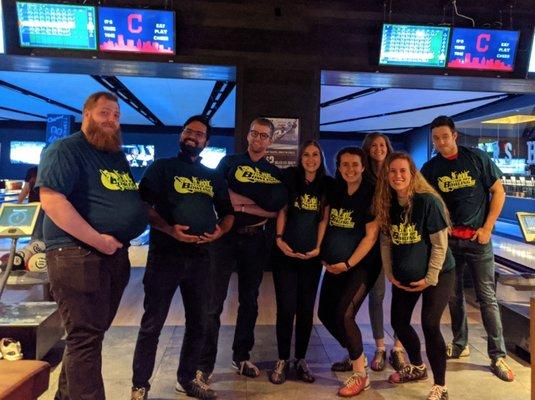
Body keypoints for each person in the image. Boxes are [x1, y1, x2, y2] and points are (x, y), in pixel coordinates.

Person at [36, 91, 148, 400]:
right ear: (87, 114)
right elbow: (52, 201)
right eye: (104, 113)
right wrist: (98, 240)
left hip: (109, 255)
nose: (111, 120)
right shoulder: (66, 149)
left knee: (87, 338)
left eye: (116, 115)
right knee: (85, 337)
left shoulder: (114, 155)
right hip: (76, 254)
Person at [130, 116, 234, 400]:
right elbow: (143, 204)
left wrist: (218, 233)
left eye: (199, 134)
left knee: (199, 322)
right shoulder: (161, 168)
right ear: (181, 135)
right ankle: (140, 385)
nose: (193, 136)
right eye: (189, 131)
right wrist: (168, 229)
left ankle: (187, 379)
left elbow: (228, 213)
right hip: (165, 256)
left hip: (201, 257)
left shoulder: (212, 176)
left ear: (206, 142)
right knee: (153, 323)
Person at [421, 115, 514, 382]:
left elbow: (499, 192)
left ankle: (498, 355)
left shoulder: (477, 158)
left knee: (487, 297)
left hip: (478, 240)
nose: (440, 142)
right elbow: (428, 202)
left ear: (455, 136)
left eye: (444, 137)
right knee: (453, 295)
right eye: (436, 138)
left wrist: (487, 228)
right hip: (450, 243)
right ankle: (460, 344)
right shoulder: (431, 168)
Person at [198, 117, 288, 380]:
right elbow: (219, 193)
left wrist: (240, 204)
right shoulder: (230, 163)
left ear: (270, 141)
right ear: (248, 136)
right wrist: (255, 201)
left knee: (249, 301)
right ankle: (204, 364)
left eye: (264, 136)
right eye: (254, 134)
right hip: (225, 238)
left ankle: (242, 356)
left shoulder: (275, 174)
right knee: (214, 302)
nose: (258, 139)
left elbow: (274, 210)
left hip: (255, 239)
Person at [375, 152, 455, 400]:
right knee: (399, 322)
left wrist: (430, 278)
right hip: (405, 277)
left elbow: (440, 246)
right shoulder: (387, 203)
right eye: (393, 171)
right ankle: (418, 367)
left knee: (430, 324)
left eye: (402, 171)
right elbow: (386, 243)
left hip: (438, 274)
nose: (398, 176)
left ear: (412, 174)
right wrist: (390, 273)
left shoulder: (427, 202)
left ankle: (440, 385)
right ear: (386, 176)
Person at [318, 147, 380, 397]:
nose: (350, 169)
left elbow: (370, 236)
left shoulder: (371, 193)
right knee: (325, 314)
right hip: (334, 264)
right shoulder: (335, 189)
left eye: (355, 164)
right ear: (338, 167)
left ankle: (361, 375)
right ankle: (357, 355)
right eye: (345, 165)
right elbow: (326, 220)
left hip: (361, 265)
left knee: (345, 315)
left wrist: (348, 264)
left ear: (363, 166)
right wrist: (322, 254)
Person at [269, 140, 332, 385]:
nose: (310, 159)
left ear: (320, 158)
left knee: (305, 311)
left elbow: (323, 220)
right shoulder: (291, 179)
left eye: (315, 154)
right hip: (286, 254)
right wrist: (279, 239)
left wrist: (317, 248)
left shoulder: (326, 185)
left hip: (311, 258)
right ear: (300, 158)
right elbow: (282, 210)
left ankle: (301, 359)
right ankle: (283, 359)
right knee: (286, 309)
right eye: (306, 154)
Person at [362, 132, 406, 372]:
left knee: (400, 295)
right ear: (367, 149)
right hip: (373, 243)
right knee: (376, 295)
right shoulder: (364, 176)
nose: (378, 148)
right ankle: (380, 346)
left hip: (398, 242)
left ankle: (398, 347)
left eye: (382, 144)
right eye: (374, 145)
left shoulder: (397, 173)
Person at [18, 165, 45, 241]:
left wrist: (18, 203)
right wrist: (17, 204)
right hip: (35, 207)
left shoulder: (33, 171)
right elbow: (26, 190)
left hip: (41, 206)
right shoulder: (33, 170)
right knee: (37, 233)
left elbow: (25, 190)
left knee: (37, 234)